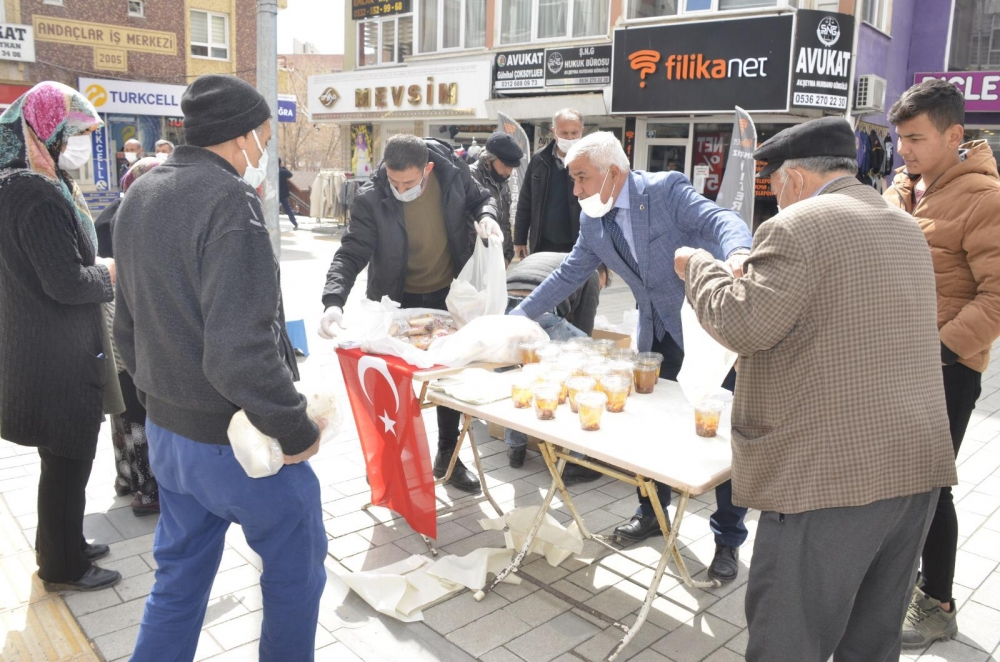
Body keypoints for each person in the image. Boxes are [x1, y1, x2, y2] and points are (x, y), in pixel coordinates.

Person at [676, 116, 957, 660]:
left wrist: (699, 268)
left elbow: (741, 326)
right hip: (914, 472)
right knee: (870, 642)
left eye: (775, 184)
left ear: (798, 179)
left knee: (789, 640)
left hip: (828, 482)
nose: (775, 197)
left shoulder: (797, 225)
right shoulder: (904, 227)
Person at [114, 74, 327, 661]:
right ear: (241, 138)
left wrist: (164, 395)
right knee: (295, 578)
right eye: (265, 135)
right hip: (235, 444)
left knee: (177, 580)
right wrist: (297, 427)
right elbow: (240, 352)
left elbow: (125, 328)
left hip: (169, 437)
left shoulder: (142, 193)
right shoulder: (230, 202)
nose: (266, 147)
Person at [508, 131, 753, 583]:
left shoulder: (665, 191)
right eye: (573, 181)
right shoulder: (593, 221)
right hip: (656, 337)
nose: (576, 190)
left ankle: (727, 540)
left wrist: (738, 252)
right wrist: (514, 319)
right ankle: (651, 514)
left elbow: (722, 219)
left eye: (582, 178)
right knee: (654, 427)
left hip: (707, 335)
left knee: (721, 435)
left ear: (614, 173)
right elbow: (568, 275)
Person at [885, 79, 1000, 647]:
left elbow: (997, 296)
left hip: (947, 367)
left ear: (954, 135)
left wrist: (936, 352)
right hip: (894, 362)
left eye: (915, 138)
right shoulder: (903, 187)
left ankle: (938, 602)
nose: (903, 149)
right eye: (899, 137)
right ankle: (901, 581)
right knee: (897, 482)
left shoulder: (983, 199)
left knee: (931, 488)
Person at [318, 134, 500, 494]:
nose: (400, 189)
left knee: (447, 378)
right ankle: (390, 460)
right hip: (396, 300)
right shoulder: (371, 197)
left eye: (409, 183)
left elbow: (482, 199)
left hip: (446, 296)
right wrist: (333, 300)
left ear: (427, 169)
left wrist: (487, 217)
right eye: (393, 181)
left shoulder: (451, 173)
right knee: (394, 384)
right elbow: (351, 252)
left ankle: (448, 455)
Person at [0, 81, 122, 593]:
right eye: (69, 133)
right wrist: (109, 273)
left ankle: (65, 543)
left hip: (34, 344)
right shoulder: (37, 194)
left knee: (63, 460)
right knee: (69, 460)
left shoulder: (14, 184)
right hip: (57, 354)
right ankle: (63, 567)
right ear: (42, 133)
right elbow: (66, 281)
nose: (76, 143)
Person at [99, 157, 162, 516]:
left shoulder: (110, 214)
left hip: (111, 329)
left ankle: (126, 479)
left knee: (122, 411)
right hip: (133, 328)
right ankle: (148, 489)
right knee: (141, 413)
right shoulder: (143, 220)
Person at [504, 254, 608, 470]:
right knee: (582, 367)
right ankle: (575, 460)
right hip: (540, 312)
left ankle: (516, 447)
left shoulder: (551, 258)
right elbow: (584, 328)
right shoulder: (589, 271)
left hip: (506, 310)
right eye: (603, 286)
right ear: (604, 274)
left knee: (526, 376)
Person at [513, 108, 585, 258]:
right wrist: (519, 239)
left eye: (574, 133)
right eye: (564, 133)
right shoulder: (539, 160)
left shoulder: (592, 161)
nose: (569, 137)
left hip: (579, 245)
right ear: (554, 131)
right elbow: (525, 202)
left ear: (582, 131)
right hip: (543, 244)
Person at [471, 131, 523, 264]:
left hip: (498, 258)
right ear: (488, 159)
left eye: (512, 167)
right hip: (475, 260)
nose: (508, 172)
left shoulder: (503, 182)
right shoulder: (469, 177)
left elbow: (505, 220)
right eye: (505, 165)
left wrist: (507, 255)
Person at [278, 158, 299, 229]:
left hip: (275, 194)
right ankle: (294, 223)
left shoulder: (271, 171)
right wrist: (283, 167)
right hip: (284, 193)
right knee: (288, 208)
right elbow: (290, 174)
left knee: (273, 209)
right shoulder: (283, 171)